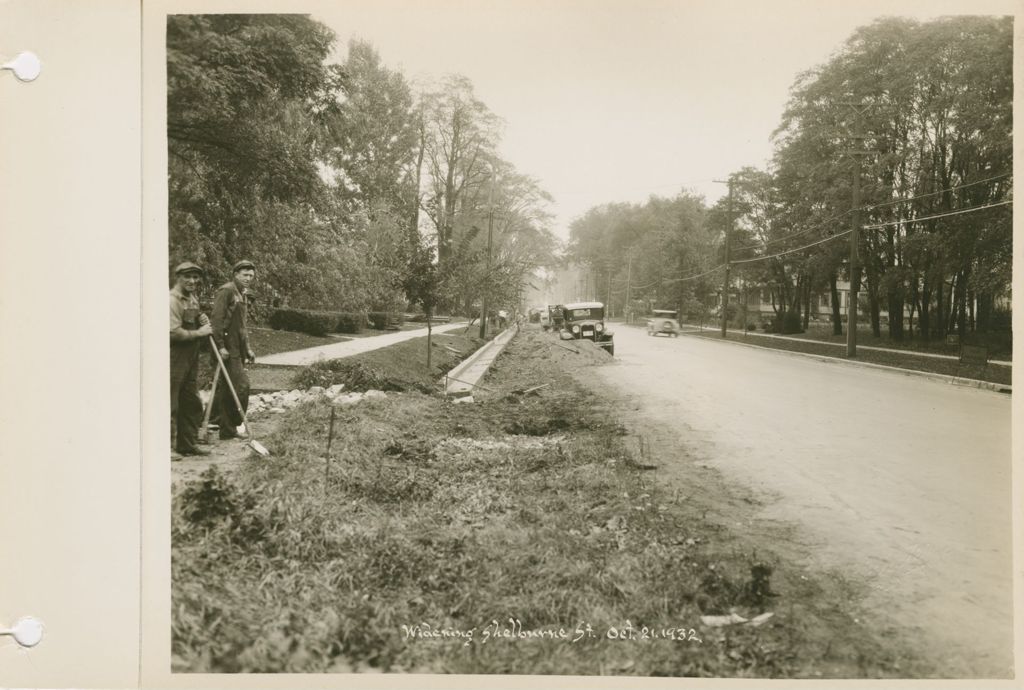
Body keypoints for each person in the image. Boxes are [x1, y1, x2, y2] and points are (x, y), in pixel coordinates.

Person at [169, 262, 213, 459]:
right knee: (170, 403)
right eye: (188, 277)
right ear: (178, 277)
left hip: (191, 358)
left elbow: (193, 316)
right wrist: (200, 332)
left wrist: (201, 317)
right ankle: (166, 448)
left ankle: (187, 444)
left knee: (191, 402)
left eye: (196, 277)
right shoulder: (172, 301)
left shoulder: (192, 299)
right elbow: (173, 333)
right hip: (174, 357)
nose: (192, 281)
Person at [210, 259, 257, 440]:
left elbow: (242, 327)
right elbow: (216, 321)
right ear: (235, 274)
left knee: (227, 388)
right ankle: (230, 428)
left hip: (237, 348)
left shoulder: (242, 294)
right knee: (241, 386)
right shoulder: (227, 291)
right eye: (244, 275)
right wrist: (220, 346)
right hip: (227, 348)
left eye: (251, 276)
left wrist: (248, 348)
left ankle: (216, 422)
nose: (248, 278)